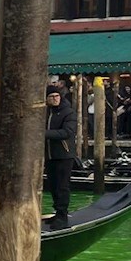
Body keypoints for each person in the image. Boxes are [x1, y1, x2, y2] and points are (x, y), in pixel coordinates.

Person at [44, 82, 76, 224]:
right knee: (53, 185)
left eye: (57, 96)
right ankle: (57, 212)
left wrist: (43, 133)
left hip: (64, 154)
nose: (56, 98)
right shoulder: (45, 113)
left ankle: (62, 215)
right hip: (49, 155)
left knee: (62, 185)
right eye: (52, 96)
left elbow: (67, 132)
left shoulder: (68, 112)